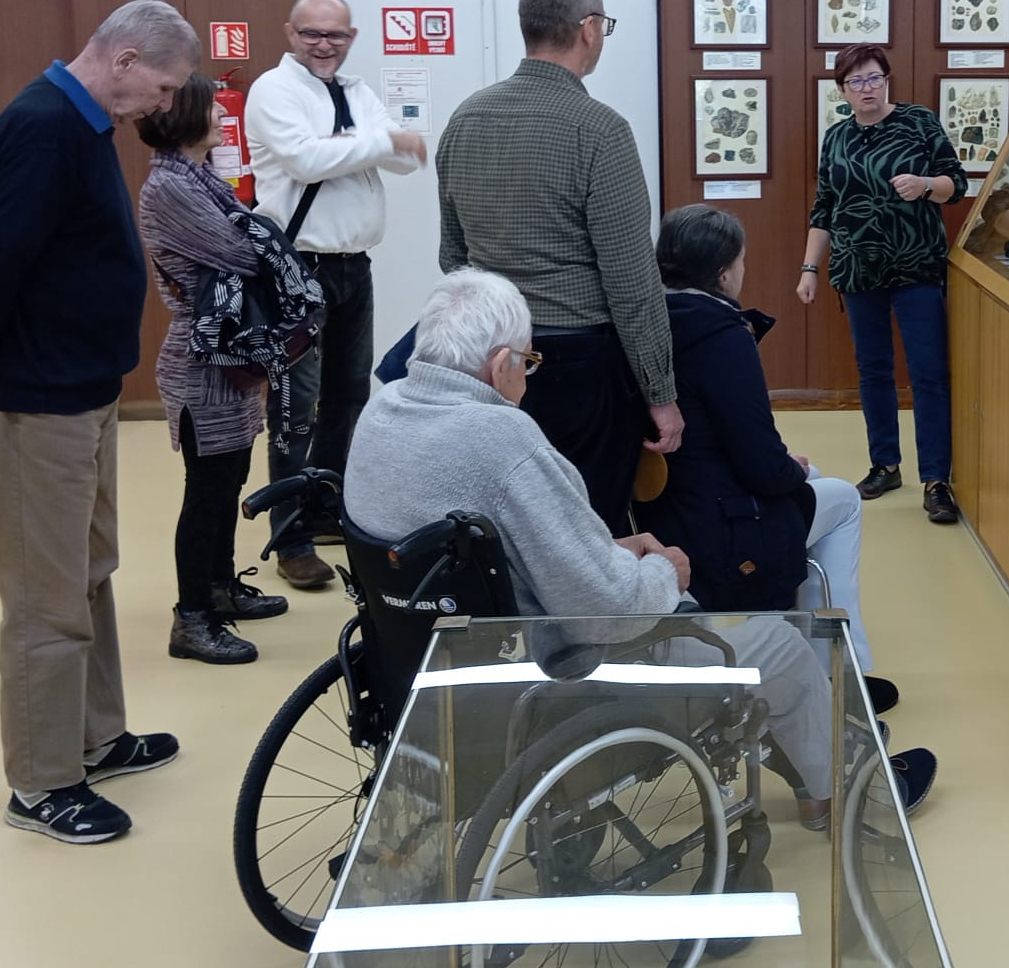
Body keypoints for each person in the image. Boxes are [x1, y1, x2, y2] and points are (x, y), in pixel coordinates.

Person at [345, 268, 844, 821]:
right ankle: (832, 797)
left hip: (422, 672)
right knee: (779, 645)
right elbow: (605, 615)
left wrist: (609, 550)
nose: (528, 379)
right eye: (528, 363)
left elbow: (497, 551)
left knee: (657, 584)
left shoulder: (380, 415)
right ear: (500, 364)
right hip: (548, 674)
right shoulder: (503, 440)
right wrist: (665, 572)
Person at [0, 0, 198, 845]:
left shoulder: (84, 125)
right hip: (43, 397)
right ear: (123, 59)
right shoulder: (41, 127)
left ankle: (97, 737)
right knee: (45, 596)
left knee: (91, 569)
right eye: (164, 86)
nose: (166, 104)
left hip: (87, 389)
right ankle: (42, 781)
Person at [639, 206, 937, 787]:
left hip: (664, 513)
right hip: (718, 531)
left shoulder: (641, 322)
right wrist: (787, 469)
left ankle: (825, 675)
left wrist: (787, 468)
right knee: (841, 501)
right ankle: (846, 674)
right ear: (724, 272)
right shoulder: (721, 333)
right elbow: (759, 461)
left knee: (813, 479)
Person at [433, 0, 681, 536]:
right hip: (579, 367)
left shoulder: (466, 118)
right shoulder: (600, 130)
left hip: (491, 361)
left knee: (506, 520)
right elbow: (632, 283)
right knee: (586, 527)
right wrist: (661, 393)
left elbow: (453, 258)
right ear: (588, 28)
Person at [245, 0, 427, 589]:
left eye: (336, 35)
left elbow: (408, 161)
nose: (324, 44)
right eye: (312, 33)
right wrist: (381, 141)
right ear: (290, 33)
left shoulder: (355, 90)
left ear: (351, 37)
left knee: (348, 394)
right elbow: (305, 160)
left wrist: (366, 145)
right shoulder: (273, 90)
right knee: (294, 405)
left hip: (353, 266)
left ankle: (323, 507)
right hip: (297, 268)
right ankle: (290, 536)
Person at [136, 73, 288, 667]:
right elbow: (245, 251)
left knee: (229, 479)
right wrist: (269, 243)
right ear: (184, 118)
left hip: (228, 352)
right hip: (202, 360)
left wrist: (265, 241)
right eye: (213, 110)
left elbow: (250, 242)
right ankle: (193, 618)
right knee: (207, 489)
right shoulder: (170, 186)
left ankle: (221, 587)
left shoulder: (196, 177)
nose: (224, 118)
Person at [797, 45, 968, 525]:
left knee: (928, 373)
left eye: (874, 78)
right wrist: (809, 269)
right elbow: (825, 207)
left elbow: (957, 183)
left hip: (917, 267)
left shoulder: (918, 122)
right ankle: (885, 465)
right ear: (842, 90)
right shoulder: (836, 137)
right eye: (856, 82)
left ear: (887, 80)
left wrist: (925, 185)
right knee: (873, 370)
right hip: (858, 270)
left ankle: (936, 479)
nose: (867, 89)